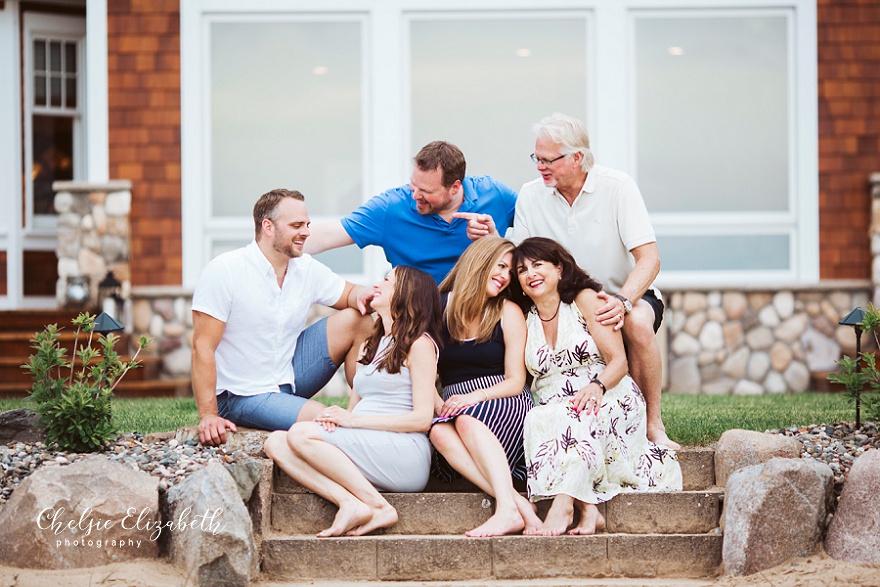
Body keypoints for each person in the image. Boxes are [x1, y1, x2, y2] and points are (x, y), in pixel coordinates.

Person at [508, 113, 680, 450]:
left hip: (622, 294)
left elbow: (650, 259)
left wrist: (624, 300)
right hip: (561, 303)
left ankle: (653, 425)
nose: (540, 166)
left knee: (639, 325)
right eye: (536, 158)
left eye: (548, 159)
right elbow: (522, 260)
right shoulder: (530, 195)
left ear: (577, 157)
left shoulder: (618, 186)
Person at [513, 237, 682, 536]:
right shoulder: (526, 318)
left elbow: (619, 361)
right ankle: (589, 511)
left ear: (560, 269)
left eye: (538, 265)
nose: (530, 274)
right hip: (556, 403)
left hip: (607, 391)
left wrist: (596, 386)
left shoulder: (584, 299)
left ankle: (564, 504)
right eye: (522, 270)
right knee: (541, 418)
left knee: (577, 415)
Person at [263, 266, 441, 537]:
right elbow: (354, 408)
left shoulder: (420, 345)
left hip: (404, 451)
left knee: (300, 433)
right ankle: (350, 501)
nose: (377, 284)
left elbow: (422, 419)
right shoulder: (372, 343)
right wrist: (341, 421)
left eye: (387, 280)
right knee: (275, 442)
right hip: (366, 442)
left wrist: (353, 421)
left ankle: (379, 507)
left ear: (407, 293)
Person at [191, 189, 375, 446]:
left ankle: (369, 412)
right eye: (297, 225)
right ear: (268, 227)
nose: (307, 232)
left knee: (359, 319)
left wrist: (364, 295)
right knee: (325, 419)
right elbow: (202, 347)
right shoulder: (224, 271)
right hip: (241, 395)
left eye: (307, 225)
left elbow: (351, 294)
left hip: (288, 375)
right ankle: (358, 441)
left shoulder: (304, 267)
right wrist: (209, 415)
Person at [429, 237, 541, 537]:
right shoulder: (438, 307)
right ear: (479, 261)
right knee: (438, 431)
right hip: (452, 403)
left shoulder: (508, 311)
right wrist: (439, 406)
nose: (505, 276)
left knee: (466, 419)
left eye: (510, 271)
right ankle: (518, 504)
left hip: (501, 397)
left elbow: (516, 381)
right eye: (501, 266)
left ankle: (505, 510)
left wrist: (473, 397)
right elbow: (420, 368)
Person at [303, 141, 517, 284]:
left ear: (454, 187)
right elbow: (328, 235)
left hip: (482, 316)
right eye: (413, 185)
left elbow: (538, 240)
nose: (415, 195)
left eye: (426, 191)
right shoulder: (391, 207)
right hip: (419, 319)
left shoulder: (494, 195)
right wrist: (276, 241)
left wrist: (495, 241)